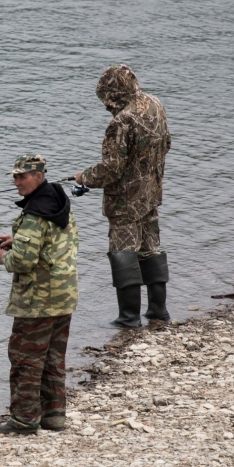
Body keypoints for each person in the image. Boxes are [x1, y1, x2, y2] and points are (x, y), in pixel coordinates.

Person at [0, 154, 79, 434]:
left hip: (37, 301)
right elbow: (54, 241)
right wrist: (17, 241)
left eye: (22, 176)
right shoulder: (59, 203)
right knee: (52, 358)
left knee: (25, 359)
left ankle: (24, 420)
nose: (17, 182)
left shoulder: (34, 214)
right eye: (14, 176)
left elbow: (24, 262)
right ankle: (53, 416)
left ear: (39, 176)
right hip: (64, 295)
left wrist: (1, 257)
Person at [74, 64, 171, 328]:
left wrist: (84, 177)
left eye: (106, 97)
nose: (106, 104)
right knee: (151, 248)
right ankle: (158, 312)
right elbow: (167, 144)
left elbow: (111, 170)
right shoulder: (155, 104)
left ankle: (129, 318)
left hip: (126, 202)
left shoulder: (121, 121)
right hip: (151, 193)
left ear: (112, 92)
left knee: (123, 252)